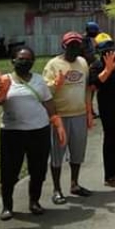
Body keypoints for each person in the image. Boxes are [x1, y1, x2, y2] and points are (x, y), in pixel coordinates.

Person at [0, 47, 67, 220]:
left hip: (39, 131)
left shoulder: (38, 80)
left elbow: (48, 101)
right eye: (21, 59)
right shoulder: (4, 80)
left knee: (38, 169)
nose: (25, 62)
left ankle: (34, 201)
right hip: (12, 133)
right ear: (13, 60)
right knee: (9, 171)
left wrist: (57, 122)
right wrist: (2, 93)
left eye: (29, 59)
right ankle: (7, 206)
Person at [43, 32, 94, 205]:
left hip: (79, 114)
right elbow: (45, 92)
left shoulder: (83, 63)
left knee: (78, 152)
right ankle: (57, 189)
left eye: (76, 45)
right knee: (57, 154)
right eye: (70, 45)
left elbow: (87, 89)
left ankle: (75, 184)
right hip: (60, 117)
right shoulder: (53, 64)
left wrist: (89, 112)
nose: (73, 48)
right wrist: (55, 84)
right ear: (63, 46)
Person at [90, 40, 115, 187]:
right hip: (108, 108)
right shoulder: (97, 66)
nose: (111, 54)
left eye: (112, 51)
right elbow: (94, 85)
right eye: (107, 52)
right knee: (111, 139)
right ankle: (111, 175)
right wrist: (108, 69)